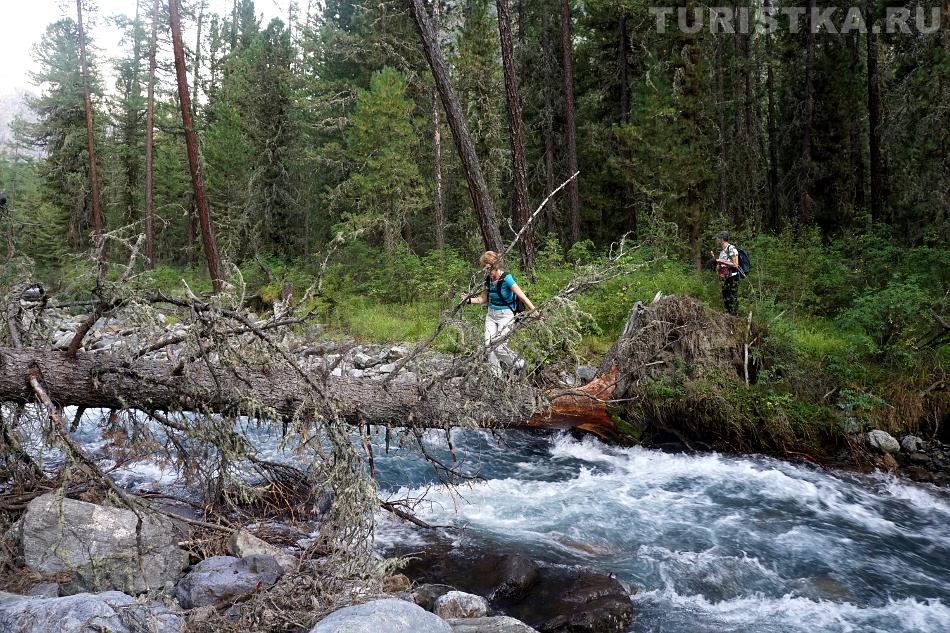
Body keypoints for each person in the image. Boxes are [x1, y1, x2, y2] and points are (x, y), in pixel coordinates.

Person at [461, 251, 540, 373]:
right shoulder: (488, 280)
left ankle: (520, 364)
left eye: (487, 268)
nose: (485, 272)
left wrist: (536, 313)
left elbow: (523, 297)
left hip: (506, 315)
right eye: (484, 269)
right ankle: (497, 377)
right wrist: (468, 300)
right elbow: (483, 299)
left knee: (499, 347)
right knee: (488, 348)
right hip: (491, 315)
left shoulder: (507, 278)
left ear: (494, 266)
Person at [711, 231, 741, 316]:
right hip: (724, 278)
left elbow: (735, 264)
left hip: (733, 277)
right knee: (726, 299)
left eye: (717, 239)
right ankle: (728, 318)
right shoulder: (721, 252)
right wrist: (716, 265)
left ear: (722, 239)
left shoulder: (731, 248)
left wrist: (720, 260)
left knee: (732, 298)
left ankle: (735, 318)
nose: (716, 241)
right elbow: (720, 267)